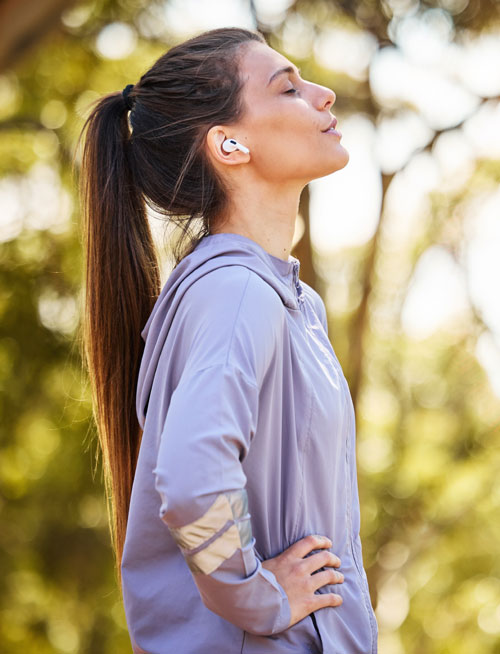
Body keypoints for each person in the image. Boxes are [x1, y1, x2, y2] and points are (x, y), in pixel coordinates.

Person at [76, 25, 378, 654]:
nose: (323, 95)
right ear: (230, 144)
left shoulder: (287, 300)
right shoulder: (235, 290)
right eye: (288, 88)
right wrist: (257, 596)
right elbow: (191, 479)